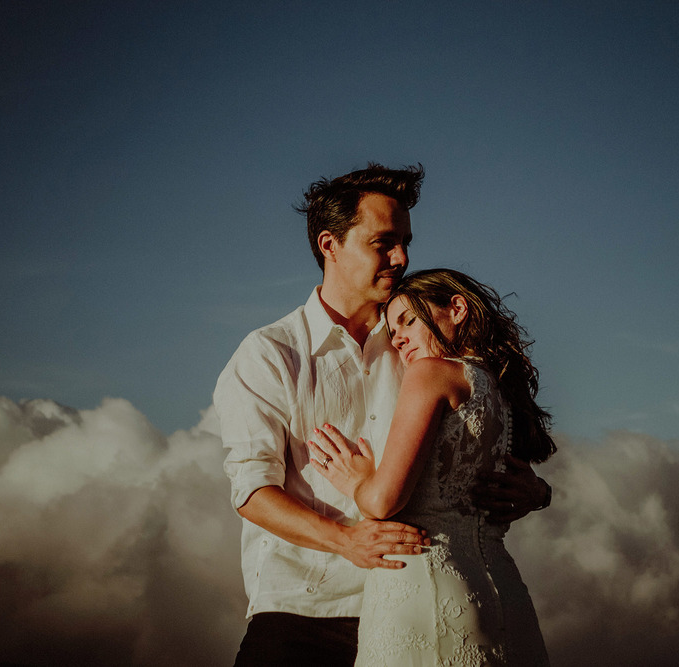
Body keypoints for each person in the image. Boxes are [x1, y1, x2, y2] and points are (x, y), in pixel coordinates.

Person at [212, 164, 552, 666]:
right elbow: (252, 491)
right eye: (383, 242)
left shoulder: (419, 346)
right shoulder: (268, 353)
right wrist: (345, 539)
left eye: (406, 242)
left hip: (413, 603)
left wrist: (536, 491)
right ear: (330, 244)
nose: (402, 258)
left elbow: (481, 444)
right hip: (303, 616)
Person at [308, 268, 555, 666]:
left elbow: (382, 502)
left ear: (456, 309)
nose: (399, 338)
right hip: (505, 596)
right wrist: (543, 493)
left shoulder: (431, 373)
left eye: (408, 320)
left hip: (426, 595)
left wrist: (356, 480)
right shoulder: (504, 396)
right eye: (392, 333)